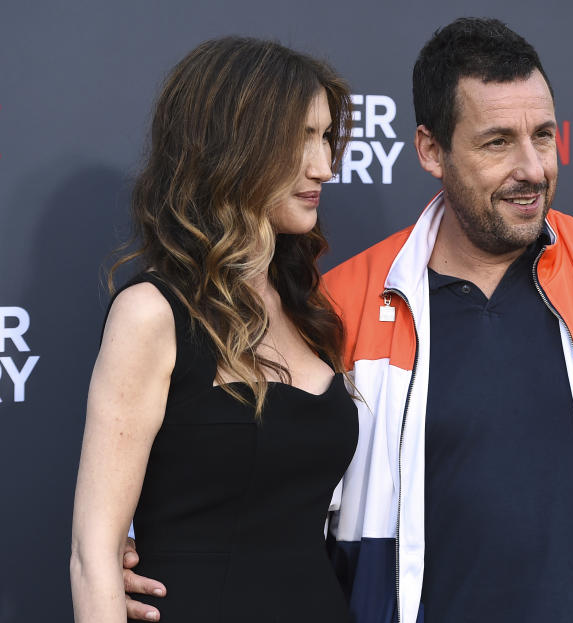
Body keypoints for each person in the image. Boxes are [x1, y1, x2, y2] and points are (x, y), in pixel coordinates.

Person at [124, 18, 573, 623]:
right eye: (497, 142)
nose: (531, 167)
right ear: (430, 151)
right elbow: (245, 474)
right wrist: (139, 552)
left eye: (544, 134)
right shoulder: (334, 306)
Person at [70, 37, 358, 622]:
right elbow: (93, 556)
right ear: (234, 145)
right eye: (300, 137)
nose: (325, 165)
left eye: (326, 137)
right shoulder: (153, 313)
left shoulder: (308, 309)